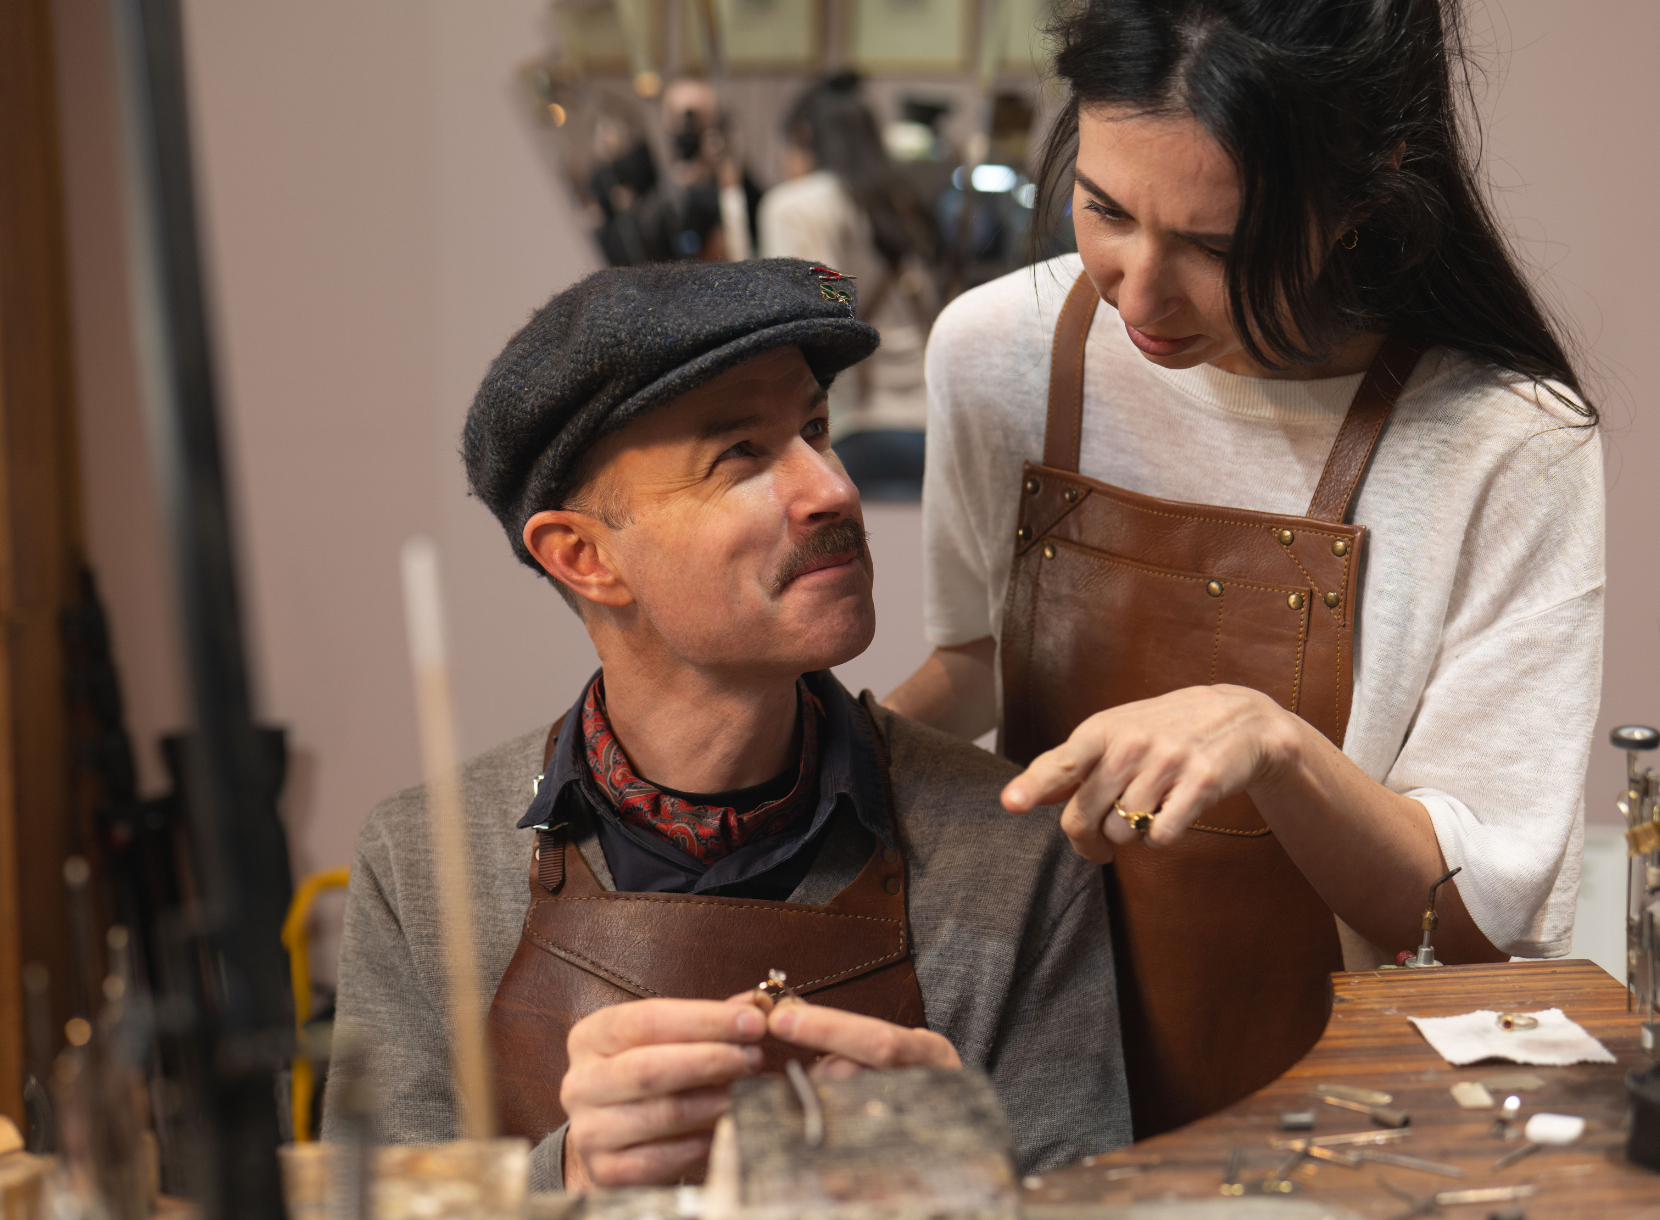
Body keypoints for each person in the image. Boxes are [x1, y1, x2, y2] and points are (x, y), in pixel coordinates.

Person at [885, 0, 1604, 1137]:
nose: (1138, 290)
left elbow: (1470, 919)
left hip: (1351, 1110)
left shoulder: (1505, 440)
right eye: (1103, 208)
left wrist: (1268, 741)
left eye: (1218, 247)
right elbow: (975, 662)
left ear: (1365, 193)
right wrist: (792, 761)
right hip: (1035, 1067)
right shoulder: (995, 353)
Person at [322, 259, 1131, 1190]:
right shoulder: (426, 862)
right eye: (741, 454)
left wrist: (972, 1182)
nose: (831, 488)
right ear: (583, 556)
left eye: (815, 429)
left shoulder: (1017, 850)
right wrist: (573, 1174)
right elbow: (372, 1205)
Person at [758, 73, 937, 499]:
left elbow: (814, 306)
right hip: (930, 425)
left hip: (857, 425)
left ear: (802, 137)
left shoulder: (795, 205)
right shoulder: (900, 201)